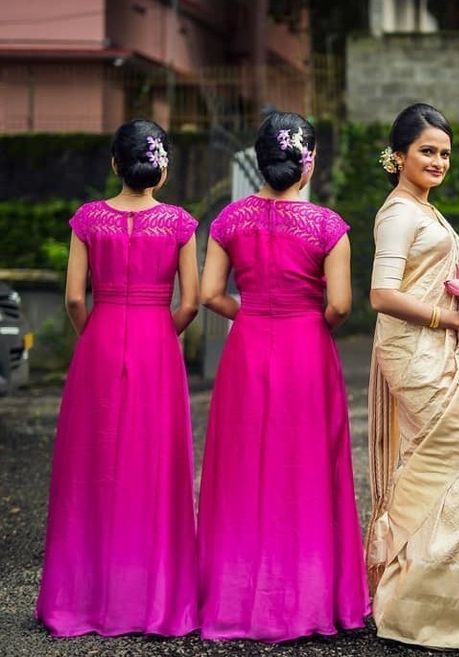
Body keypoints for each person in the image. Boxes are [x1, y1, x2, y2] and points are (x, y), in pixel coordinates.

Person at [196, 111, 369, 641]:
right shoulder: (328, 227)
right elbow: (339, 305)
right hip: (306, 348)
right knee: (309, 466)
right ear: (307, 161)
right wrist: (307, 320)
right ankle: (313, 597)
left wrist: (249, 314)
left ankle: (235, 595)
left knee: (243, 466)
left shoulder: (228, 221)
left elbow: (208, 296)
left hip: (248, 346)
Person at [37, 119, 199, 637]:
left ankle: (83, 597)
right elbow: (192, 302)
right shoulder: (179, 223)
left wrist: (96, 337)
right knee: (153, 464)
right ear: (162, 166)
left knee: (93, 464)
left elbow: (74, 298)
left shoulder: (87, 219)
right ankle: (151, 597)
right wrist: (158, 332)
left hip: (99, 343)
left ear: (115, 164)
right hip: (157, 342)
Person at [365, 102, 459, 651]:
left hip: (435, 348)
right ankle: (426, 607)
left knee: (440, 466)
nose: (438, 161)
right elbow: (381, 295)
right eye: (427, 151)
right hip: (413, 352)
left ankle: (427, 604)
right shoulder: (399, 212)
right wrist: (453, 317)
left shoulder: (426, 209)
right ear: (397, 155)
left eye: (445, 153)